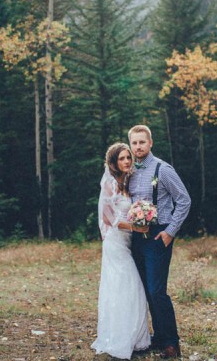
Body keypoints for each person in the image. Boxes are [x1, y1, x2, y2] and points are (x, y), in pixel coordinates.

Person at [128, 125, 191, 359]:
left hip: (159, 236)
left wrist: (170, 232)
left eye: (142, 142)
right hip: (137, 238)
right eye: (134, 143)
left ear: (150, 143)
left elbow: (184, 200)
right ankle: (159, 336)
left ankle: (172, 343)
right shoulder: (130, 170)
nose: (138, 147)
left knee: (157, 291)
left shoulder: (163, 169)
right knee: (146, 290)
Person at [91, 143, 151, 360]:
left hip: (127, 242)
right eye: (122, 159)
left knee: (128, 287)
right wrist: (135, 226)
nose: (126, 161)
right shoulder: (109, 185)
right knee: (127, 285)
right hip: (115, 243)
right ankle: (120, 338)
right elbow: (108, 218)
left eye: (128, 157)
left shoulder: (127, 182)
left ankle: (135, 337)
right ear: (114, 163)